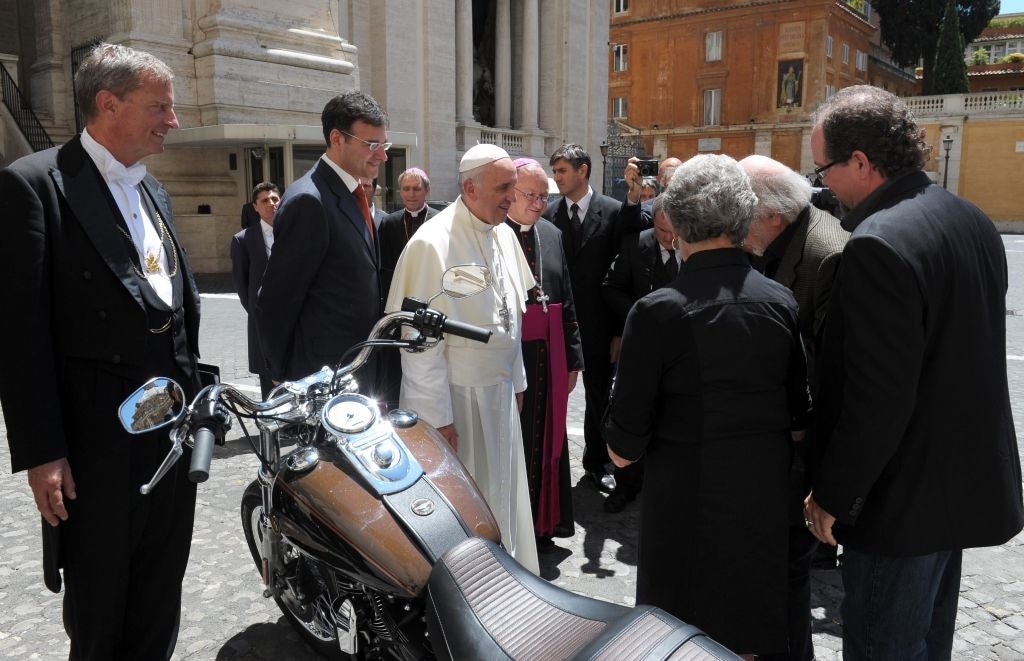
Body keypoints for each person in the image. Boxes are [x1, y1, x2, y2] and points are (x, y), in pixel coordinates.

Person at [804, 85, 1023, 659]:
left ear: (860, 161)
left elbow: (877, 398)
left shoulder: (877, 243)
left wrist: (832, 494)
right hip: (956, 487)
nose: (820, 182)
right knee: (929, 644)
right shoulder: (970, 217)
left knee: (886, 647)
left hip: (898, 503)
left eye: (823, 167)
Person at [0, 43, 202, 660]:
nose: (172, 120)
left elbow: (174, 315)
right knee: (99, 611)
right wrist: (44, 453)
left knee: (158, 598)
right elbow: (19, 332)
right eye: (159, 106)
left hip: (171, 438)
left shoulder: (156, 192)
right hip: (96, 449)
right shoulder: (33, 185)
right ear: (108, 104)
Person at [603, 154, 810, 656]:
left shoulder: (656, 312)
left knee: (686, 642)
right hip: (763, 508)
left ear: (674, 222)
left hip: (685, 518)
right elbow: (800, 417)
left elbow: (622, 449)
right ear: (743, 219)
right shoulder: (780, 301)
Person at [386, 144, 539, 574]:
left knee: (504, 495)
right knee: (469, 507)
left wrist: (518, 378)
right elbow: (419, 347)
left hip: (500, 394)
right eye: (504, 187)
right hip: (459, 402)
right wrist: (435, 420)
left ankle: (512, 576)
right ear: (470, 187)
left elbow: (513, 317)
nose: (513, 197)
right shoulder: (431, 245)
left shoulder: (505, 234)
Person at [738, 154, 848, 661]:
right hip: (785, 436)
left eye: (743, 211)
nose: (736, 223)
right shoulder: (786, 236)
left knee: (787, 572)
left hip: (802, 442)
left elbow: (830, 369)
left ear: (773, 215)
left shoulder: (825, 256)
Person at [255, 90, 388, 384]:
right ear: (338, 139)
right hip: (322, 376)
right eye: (372, 144)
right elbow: (278, 298)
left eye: (384, 143)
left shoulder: (350, 192)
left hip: (356, 367)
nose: (383, 155)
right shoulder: (310, 201)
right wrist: (282, 375)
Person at [543, 143, 641, 495]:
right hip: (559, 327)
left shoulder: (613, 212)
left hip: (601, 327)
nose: (557, 179)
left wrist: (618, 331)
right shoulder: (548, 215)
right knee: (554, 395)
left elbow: (622, 276)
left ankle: (597, 463)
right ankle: (550, 462)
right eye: (554, 172)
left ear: (583, 171)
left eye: (562, 172)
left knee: (599, 398)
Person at [505, 158, 584, 546]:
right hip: (510, 362)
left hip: (548, 359)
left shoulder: (551, 234)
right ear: (509, 193)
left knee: (545, 440)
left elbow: (566, 297)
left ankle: (543, 521)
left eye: (543, 196)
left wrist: (573, 359)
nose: (539, 204)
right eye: (530, 195)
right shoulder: (493, 235)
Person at [600, 194, 679, 513]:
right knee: (631, 413)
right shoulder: (636, 244)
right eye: (662, 231)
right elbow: (610, 286)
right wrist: (639, 314)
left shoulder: (694, 244)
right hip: (640, 347)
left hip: (679, 350)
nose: (669, 239)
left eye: (675, 232)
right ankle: (626, 484)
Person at [230, 182, 281, 398]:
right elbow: (243, 287)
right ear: (255, 206)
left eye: (275, 199)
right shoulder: (243, 240)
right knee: (268, 377)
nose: (271, 204)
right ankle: (271, 425)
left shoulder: (295, 232)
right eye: (265, 201)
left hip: (298, 318)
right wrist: (259, 311)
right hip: (263, 321)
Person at [379, 167, 438, 299]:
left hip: (431, 290)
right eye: (406, 189)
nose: (411, 194)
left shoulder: (440, 220)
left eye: (416, 189)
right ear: (400, 192)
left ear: (427, 190)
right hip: (399, 292)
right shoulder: (389, 223)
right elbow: (383, 268)